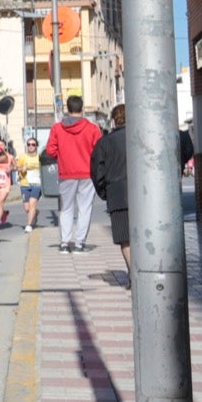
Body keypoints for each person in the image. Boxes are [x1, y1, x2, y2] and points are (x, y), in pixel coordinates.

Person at [45, 95, 104, 254]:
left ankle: (64, 243)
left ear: (68, 108)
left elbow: (50, 150)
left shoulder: (57, 128)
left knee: (66, 208)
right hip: (87, 173)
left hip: (66, 173)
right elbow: (99, 151)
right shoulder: (92, 128)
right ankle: (79, 244)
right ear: (82, 108)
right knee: (85, 208)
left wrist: (63, 155)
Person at [90, 104, 132, 276]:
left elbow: (96, 172)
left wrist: (105, 192)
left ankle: (133, 276)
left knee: (125, 239)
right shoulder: (141, 136)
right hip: (145, 195)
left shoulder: (104, 143)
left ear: (114, 120)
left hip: (117, 194)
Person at [15, 135, 43, 232]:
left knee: (32, 203)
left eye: (33, 144)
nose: (31, 146)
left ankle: (29, 225)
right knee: (27, 208)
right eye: (29, 144)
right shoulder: (23, 156)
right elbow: (16, 167)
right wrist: (21, 169)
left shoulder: (40, 157)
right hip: (25, 184)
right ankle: (36, 213)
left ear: (36, 146)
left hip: (37, 184)